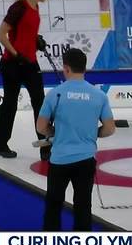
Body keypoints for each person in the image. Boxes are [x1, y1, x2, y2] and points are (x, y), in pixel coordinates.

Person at [37, 48, 115, 231]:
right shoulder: (99, 95)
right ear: (84, 68)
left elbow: (41, 127)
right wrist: (91, 134)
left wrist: (55, 132)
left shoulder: (55, 94)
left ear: (66, 68)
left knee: (53, 205)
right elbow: (110, 128)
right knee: (83, 206)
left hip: (59, 159)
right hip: (85, 159)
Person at [0, 0, 53, 159]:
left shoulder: (35, 7)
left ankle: (45, 147)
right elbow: (1, 34)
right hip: (12, 64)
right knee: (10, 105)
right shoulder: (19, 7)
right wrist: (17, 54)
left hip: (30, 63)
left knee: (40, 104)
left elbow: (27, 32)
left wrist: (37, 41)